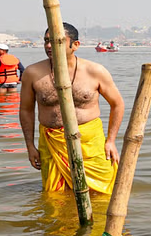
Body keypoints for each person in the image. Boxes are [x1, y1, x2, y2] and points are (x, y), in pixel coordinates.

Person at [19, 23, 125, 195]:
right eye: (46, 41)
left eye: (56, 41)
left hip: (90, 144)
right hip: (52, 142)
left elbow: (117, 104)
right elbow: (26, 110)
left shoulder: (95, 71)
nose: (48, 46)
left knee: (102, 195)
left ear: (75, 45)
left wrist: (111, 140)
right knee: (56, 198)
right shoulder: (33, 73)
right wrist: (30, 146)